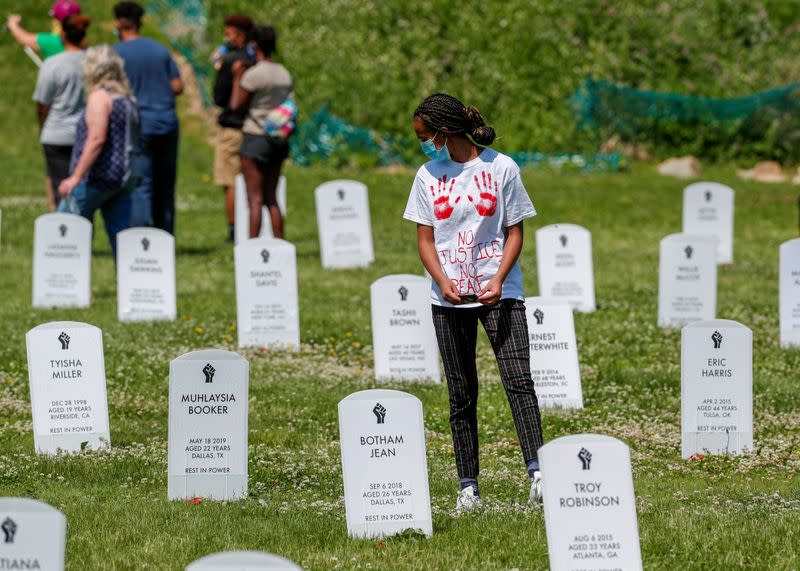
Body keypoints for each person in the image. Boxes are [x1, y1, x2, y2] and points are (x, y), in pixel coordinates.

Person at [403, 93, 545, 513]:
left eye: (424, 136)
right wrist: (442, 281)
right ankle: (469, 487)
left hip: (500, 294)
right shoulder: (427, 176)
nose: (422, 144)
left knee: (519, 382)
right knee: (461, 393)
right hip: (448, 300)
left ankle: (539, 475)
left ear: (444, 133)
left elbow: (515, 231)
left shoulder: (501, 168)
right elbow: (425, 240)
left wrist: (499, 279)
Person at [58, 45, 140, 258]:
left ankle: (69, 283)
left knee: (67, 229)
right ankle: (129, 284)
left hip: (98, 176)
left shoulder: (99, 98)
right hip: (124, 177)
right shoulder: (127, 98)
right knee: (121, 237)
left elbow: (96, 139)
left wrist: (75, 177)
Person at [112, 1, 183, 234]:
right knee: (165, 183)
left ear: (120, 23)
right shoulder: (159, 49)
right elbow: (177, 85)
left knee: (140, 183)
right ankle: (165, 234)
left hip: (139, 124)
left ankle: (142, 239)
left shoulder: (118, 53)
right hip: (167, 121)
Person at [230, 25, 293, 239]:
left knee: (254, 199)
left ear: (254, 45)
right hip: (278, 139)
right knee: (272, 198)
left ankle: (253, 250)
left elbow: (236, 104)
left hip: (255, 137)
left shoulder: (254, 74)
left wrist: (238, 76)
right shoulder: (284, 73)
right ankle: (280, 244)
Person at [32, 14, 90, 210]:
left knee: (60, 190)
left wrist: (42, 124)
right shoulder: (92, 62)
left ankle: (61, 233)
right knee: (82, 192)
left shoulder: (52, 64)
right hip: (85, 134)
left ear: (63, 36)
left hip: (56, 134)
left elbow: (42, 102)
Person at [212, 14, 254, 242]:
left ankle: (233, 228)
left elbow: (219, 98)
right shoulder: (255, 59)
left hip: (231, 129)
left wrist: (220, 69)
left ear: (239, 35)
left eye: (228, 34)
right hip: (252, 128)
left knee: (230, 181)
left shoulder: (231, 61)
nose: (225, 38)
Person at [6, 1, 81, 60]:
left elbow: (25, 39)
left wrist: (13, 24)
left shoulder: (56, 41)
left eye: (55, 18)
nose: (53, 21)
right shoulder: (81, 39)